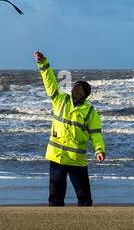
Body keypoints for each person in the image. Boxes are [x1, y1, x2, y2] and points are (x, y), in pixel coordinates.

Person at [34, 50, 105, 206]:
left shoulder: (90, 112)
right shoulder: (60, 100)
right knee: (55, 198)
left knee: (84, 198)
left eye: (79, 87)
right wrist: (43, 64)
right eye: (75, 85)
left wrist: (99, 150)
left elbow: (95, 134)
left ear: (85, 95)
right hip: (57, 157)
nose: (75, 87)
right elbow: (50, 81)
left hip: (76, 160)